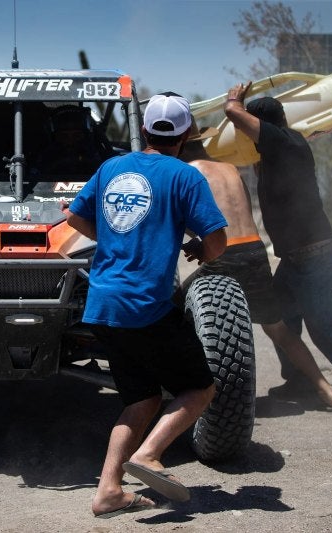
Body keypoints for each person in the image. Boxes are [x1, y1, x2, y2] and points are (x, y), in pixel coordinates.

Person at [66, 93, 228, 518]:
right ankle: (150, 454)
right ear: (188, 133)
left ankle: (108, 491)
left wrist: (119, 241)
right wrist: (200, 250)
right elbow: (217, 241)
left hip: (102, 303)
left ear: (143, 131)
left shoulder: (111, 167)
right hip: (146, 305)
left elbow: (75, 218)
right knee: (200, 387)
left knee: (140, 398)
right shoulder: (184, 176)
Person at [223, 82, 332, 400]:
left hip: (317, 258)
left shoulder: (282, 142)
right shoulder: (282, 148)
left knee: (324, 328)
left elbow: (233, 112)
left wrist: (234, 101)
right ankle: (300, 380)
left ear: (263, 125)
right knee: (281, 317)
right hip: (297, 260)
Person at [177, 127, 332, 411]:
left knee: (177, 309)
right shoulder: (230, 168)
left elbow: (201, 222)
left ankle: (187, 394)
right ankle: (326, 390)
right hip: (254, 249)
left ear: (180, 146)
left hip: (223, 253)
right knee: (278, 329)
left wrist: (195, 241)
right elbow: (237, 211)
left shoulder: (188, 172)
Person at [36, 105, 107, 175]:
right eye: (64, 136)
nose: (70, 141)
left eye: (76, 135)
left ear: (86, 136)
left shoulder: (100, 156)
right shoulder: (42, 158)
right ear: (54, 137)